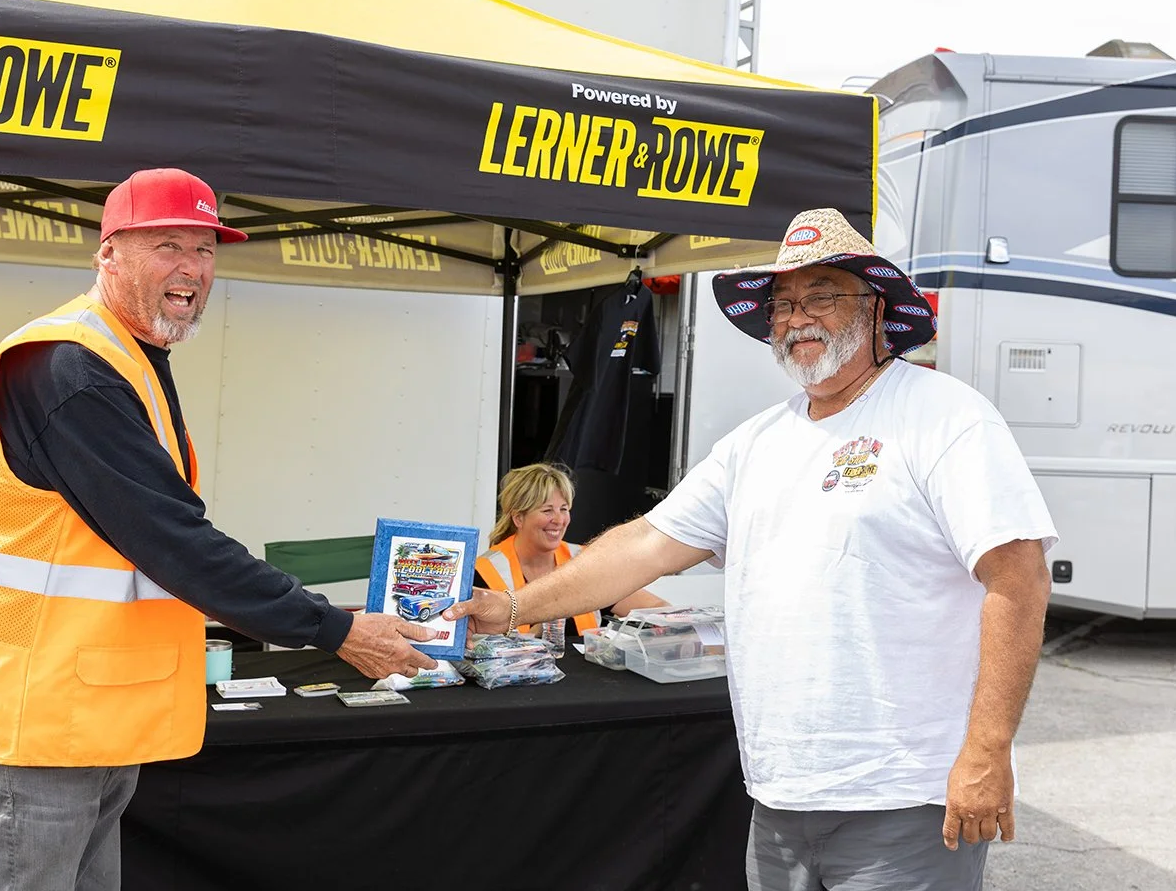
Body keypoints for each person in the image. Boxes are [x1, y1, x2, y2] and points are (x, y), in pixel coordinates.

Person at [449, 208, 1057, 891]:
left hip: (904, 797)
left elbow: (1019, 580)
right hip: (777, 796)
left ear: (877, 307)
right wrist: (513, 607)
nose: (797, 318)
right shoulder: (756, 442)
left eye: (821, 296)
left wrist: (987, 751)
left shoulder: (946, 416)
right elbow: (644, 546)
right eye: (783, 304)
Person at [0, 168, 437, 891]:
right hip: (31, 711)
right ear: (108, 254)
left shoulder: (126, 357)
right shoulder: (69, 370)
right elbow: (175, 541)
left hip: (85, 704)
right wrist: (333, 628)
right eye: (168, 246)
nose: (193, 268)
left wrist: (320, 618)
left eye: (206, 249)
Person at [476, 463, 664, 636]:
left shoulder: (587, 561)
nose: (559, 520)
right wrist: (539, 629)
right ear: (518, 518)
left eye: (564, 509)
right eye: (547, 510)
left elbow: (657, 608)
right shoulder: (482, 572)